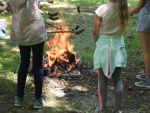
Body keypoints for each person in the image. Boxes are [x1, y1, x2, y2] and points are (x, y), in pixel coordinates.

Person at [0, 0, 47, 109]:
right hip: (36, 31)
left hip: (21, 31)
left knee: (24, 63)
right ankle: (37, 99)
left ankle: (19, 98)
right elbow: (38, 5)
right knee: (38, 65)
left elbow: (3, 8)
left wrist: (6, 5)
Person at [93, 0, 128, 112]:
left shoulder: (102, 9)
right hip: (118, 46)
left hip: (103, 46)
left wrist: (95, 41)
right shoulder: (123, 8)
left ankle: (103, 108)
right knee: (118, 79)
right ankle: (118, 109)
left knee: (102, 79)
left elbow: (95, 30)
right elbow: (122, 28)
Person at [129, 0, 150, 88]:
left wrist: (129, 11)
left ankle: (148, 79)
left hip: (147, 18)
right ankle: (147, 74)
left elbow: (139, 7)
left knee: (147, 51)